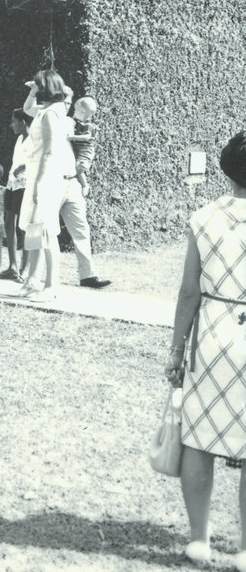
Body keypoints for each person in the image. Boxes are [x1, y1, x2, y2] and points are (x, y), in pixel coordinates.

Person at [164, 133, 246, 569]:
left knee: (199, 439)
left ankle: (199, 539)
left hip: (213, 334)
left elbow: (188, 293)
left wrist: (176, 351)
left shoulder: (205, 216)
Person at [16, 71, 71, 302]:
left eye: (37, 85)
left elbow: (49, 153)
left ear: (46, 87)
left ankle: (51, 285)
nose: (34, 87)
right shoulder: (45, 111)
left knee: (47, 230)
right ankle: (32, 281)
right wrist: (31, 90)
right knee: (34, 227)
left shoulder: (51, 114)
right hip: (38, 175)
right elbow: (27, 109)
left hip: (46, 177)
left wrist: (38, 184)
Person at [61, 92, 111, 289]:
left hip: (73, 181)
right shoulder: (64, 122)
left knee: (82, 229)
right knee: (43, 227)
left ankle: (87, 275)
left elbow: (86, 145)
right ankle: (30, 272)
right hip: (58, 180)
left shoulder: (83, 125)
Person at [3, 109, 30, 280]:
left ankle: (25, 268)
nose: (12, 125)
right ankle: (12, 266)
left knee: (24, 227)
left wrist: (24, 167)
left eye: (14, 121)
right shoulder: (19, 139)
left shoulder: (35, 139)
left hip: (26, 186)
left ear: (23, 122)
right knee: (8, 223)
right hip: (12, 185)